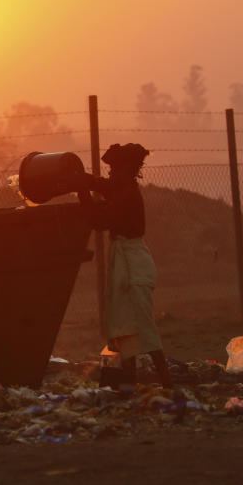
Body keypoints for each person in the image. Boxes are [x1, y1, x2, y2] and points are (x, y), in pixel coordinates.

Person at [77, 143, 172, 389]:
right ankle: (132, 381)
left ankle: (167, 383)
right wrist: (82, 180)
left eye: (113, 169)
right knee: (125, 323)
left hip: (134, 266)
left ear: (126, 169)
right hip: (127, 262)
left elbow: (98, 221)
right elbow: (102, 185)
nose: (109, 174)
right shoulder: (124, 188)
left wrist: (81, 189)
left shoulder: (126, 193)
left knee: (142, 325)